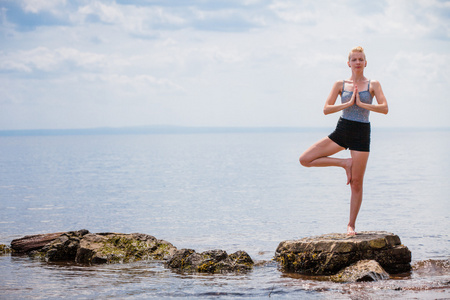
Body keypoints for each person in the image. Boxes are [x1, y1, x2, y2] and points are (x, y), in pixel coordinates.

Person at [299, 46, 388, 236]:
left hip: (362, 132)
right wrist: (348, 104)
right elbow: (326, 109)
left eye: (360, 59)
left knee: (357, 183)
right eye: (354, 59)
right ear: (348, 63)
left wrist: (362, 104)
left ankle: (351, 225)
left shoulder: (373, 84)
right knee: (305, 159)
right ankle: (344, 163)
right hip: (343, 130)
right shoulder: (340, 84)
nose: (357, 62)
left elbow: (385, 108)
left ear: (365, 62)